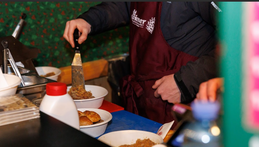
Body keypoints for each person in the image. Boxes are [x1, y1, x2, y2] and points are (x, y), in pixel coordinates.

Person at [63, 2, 221, 126]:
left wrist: (185, 81)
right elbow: (123, 5)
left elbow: (239, 45)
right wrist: (88, 20)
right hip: (143, 99)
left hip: (185, 105)